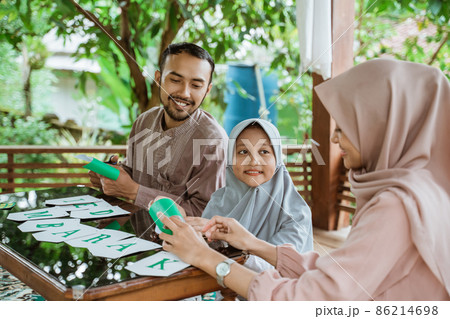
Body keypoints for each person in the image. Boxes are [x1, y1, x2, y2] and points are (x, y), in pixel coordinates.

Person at [157, 59, 450, 300]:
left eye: (346, 127)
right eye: (242, 151)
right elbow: (336, 273)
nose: (334, 138)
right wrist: (252, 243)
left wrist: (206, 258)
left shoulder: (396, 205)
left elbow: (309, 300)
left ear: (383, 127)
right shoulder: (423, 193)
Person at [89, 42, 227, 217]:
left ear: (207, 90)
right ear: (158, 78)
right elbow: (133, 173)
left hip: (179, 244)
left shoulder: (213, 141)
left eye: (196, 85)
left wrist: (134, 192)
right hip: (135, 237)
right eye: (176, 80)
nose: (185, 93)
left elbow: (205, 214)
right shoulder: (144, 122)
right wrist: (110, 176)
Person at [186, 118, 313, 272]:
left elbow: (279, 268)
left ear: (277, 159)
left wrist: (242, 244)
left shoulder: (296, 215)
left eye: (264, 151)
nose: (253, 161)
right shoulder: (218, 201)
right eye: (243, 151)